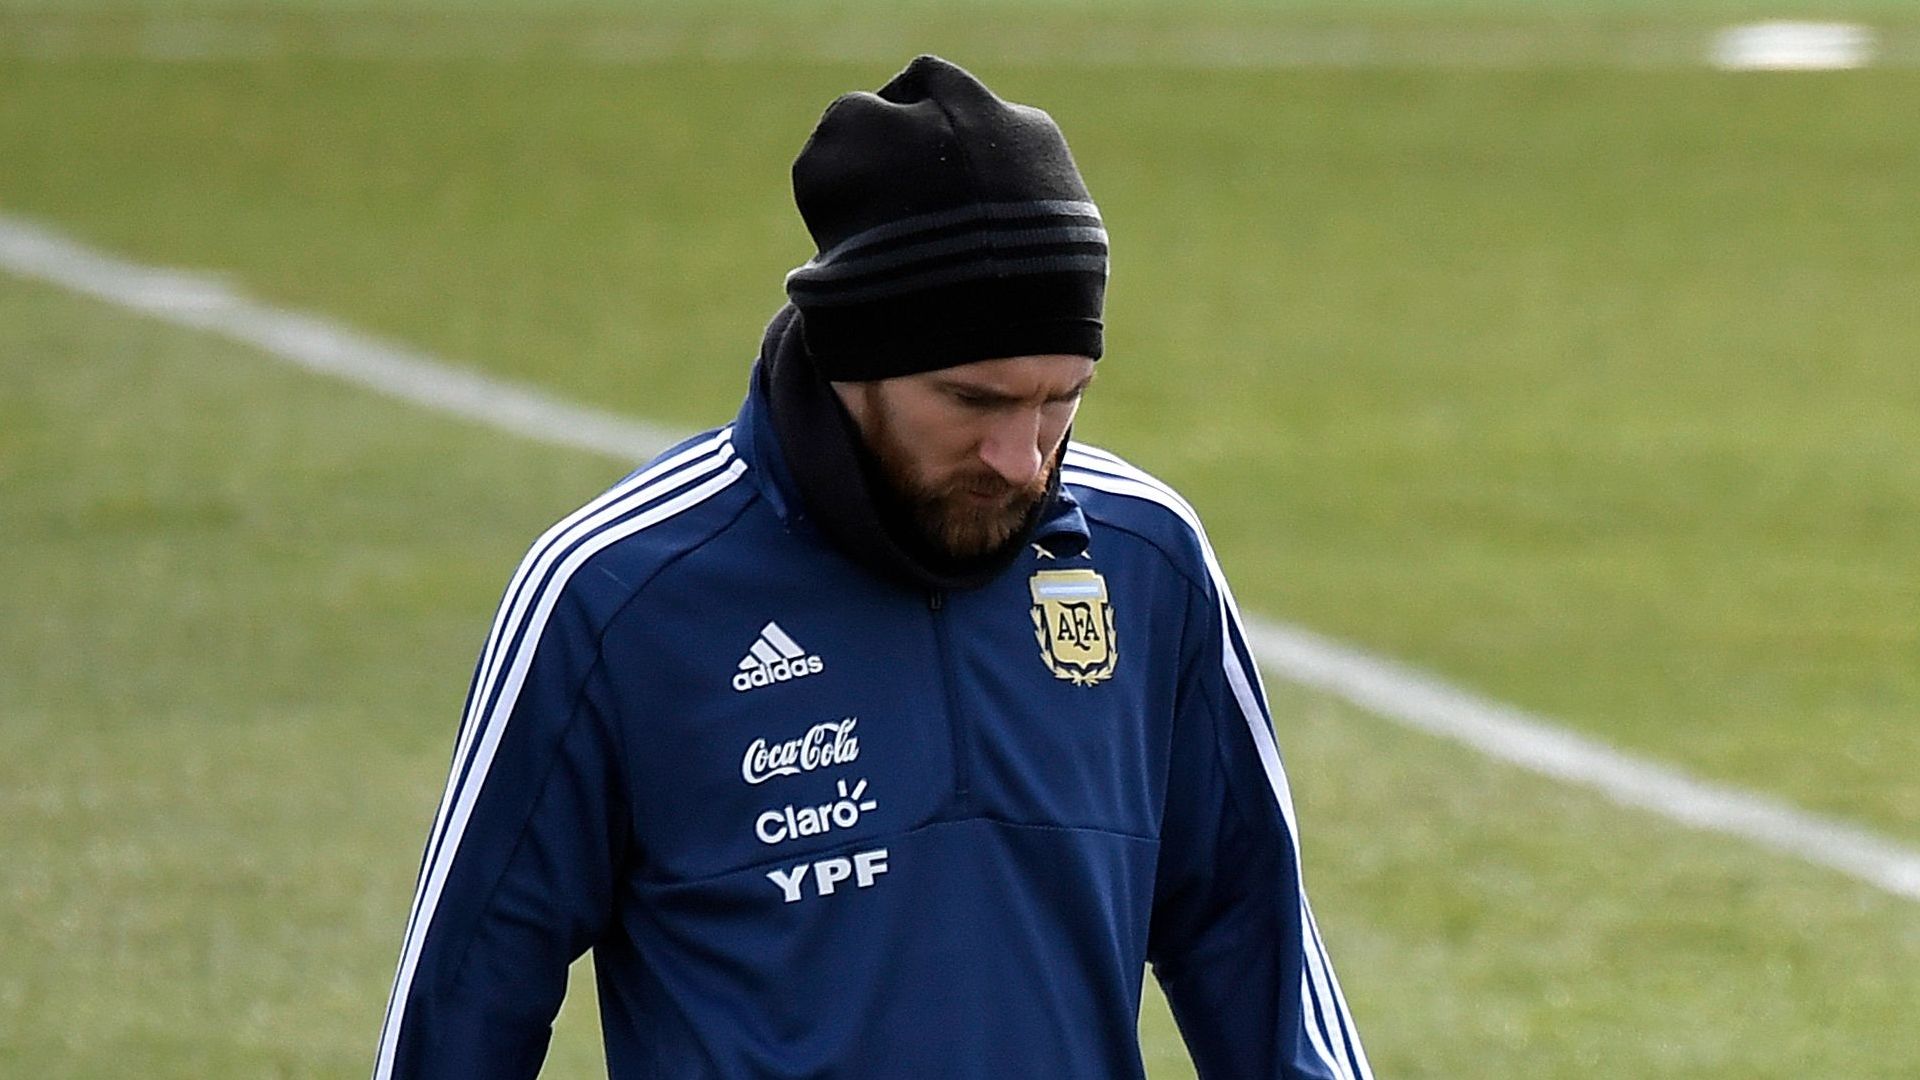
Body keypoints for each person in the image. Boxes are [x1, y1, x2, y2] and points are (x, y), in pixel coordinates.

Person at [373, 54, 1371, 1080]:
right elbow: (464, 1001)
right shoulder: (619, 593)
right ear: (856, 360)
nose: (1024, 459)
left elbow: (1261, 954)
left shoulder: (1144, 557)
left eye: (1060, 400)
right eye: (975, 402)